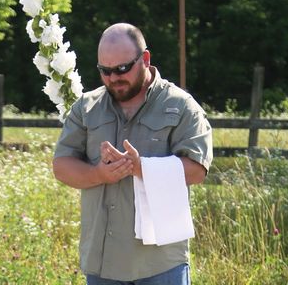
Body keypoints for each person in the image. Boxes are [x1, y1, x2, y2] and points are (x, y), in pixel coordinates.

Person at [53, 23, 213, 285]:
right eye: (105, 71)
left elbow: (197, 170)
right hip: (103, 263)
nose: (114, 78)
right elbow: (62, 166)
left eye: (122, 69)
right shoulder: (87, 107)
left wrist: (142, 168)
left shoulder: (181, 106)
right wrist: (99, 174)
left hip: (160, 263)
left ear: (145, 59)